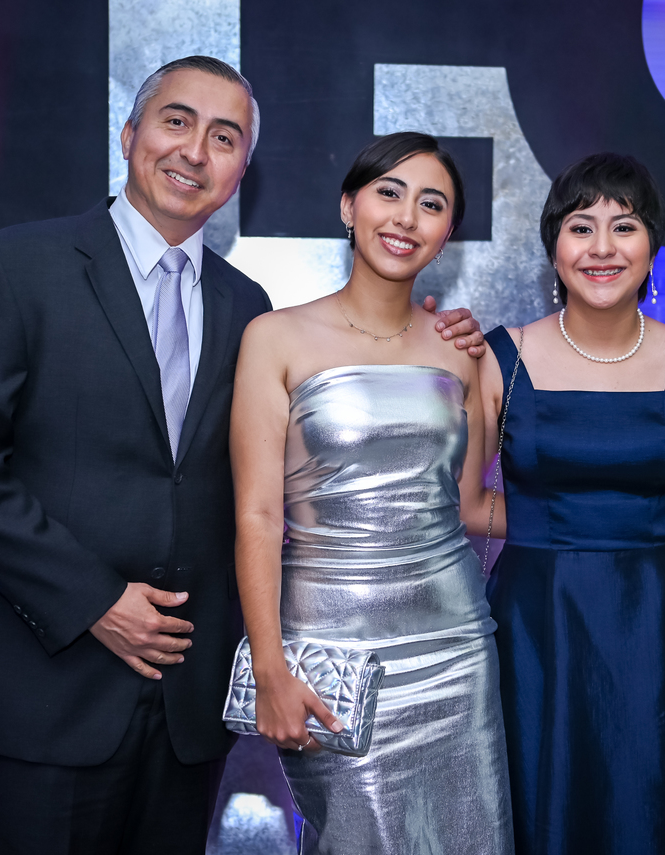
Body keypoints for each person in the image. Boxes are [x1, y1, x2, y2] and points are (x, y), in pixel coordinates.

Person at [0, 57, 484, 854]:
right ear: (129, 134)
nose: (194, 150)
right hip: (50, 685)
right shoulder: (19, 266)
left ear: (242, 169)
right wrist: (94, 600)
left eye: (224, 137)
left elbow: (270, 482)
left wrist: (432, 341)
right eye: (177, 121)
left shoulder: (246, 306)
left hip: (188, 704)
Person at [231, 131, 513, 854]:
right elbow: (257, 514)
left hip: (454, 648)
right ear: (348, 206)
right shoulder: (275, 337)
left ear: (447, 233)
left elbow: (472, 506)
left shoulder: (463, 350)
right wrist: (270, 667)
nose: (406, 217)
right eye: (389, 192)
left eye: (432, 204)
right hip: (331, 654)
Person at [478, 152, 665, 855]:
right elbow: (465, 504)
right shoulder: (500, 357)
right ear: (554, 247)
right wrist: (553, 525)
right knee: (541, 801)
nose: (602, 248)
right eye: (581, 227)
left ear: (652, 246)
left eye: (625, 226)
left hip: (658, 619)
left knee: (652, 802)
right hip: (537, 619)